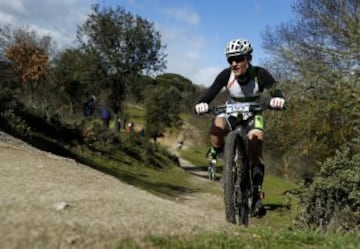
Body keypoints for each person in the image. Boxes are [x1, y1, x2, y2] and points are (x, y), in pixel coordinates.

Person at [194, 38, 285, 214]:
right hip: (231, 112)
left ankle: (257, 193)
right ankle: (223, 154)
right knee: (216, 128)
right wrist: (201, 104)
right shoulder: (225, 75)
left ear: (248, 58)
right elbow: (209, 94)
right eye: (230, 60)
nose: (234, 64)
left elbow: (276, 90)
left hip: (253, 114)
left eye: (238, 59)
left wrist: (278, 98)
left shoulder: (260, 74)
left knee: (255, 143)